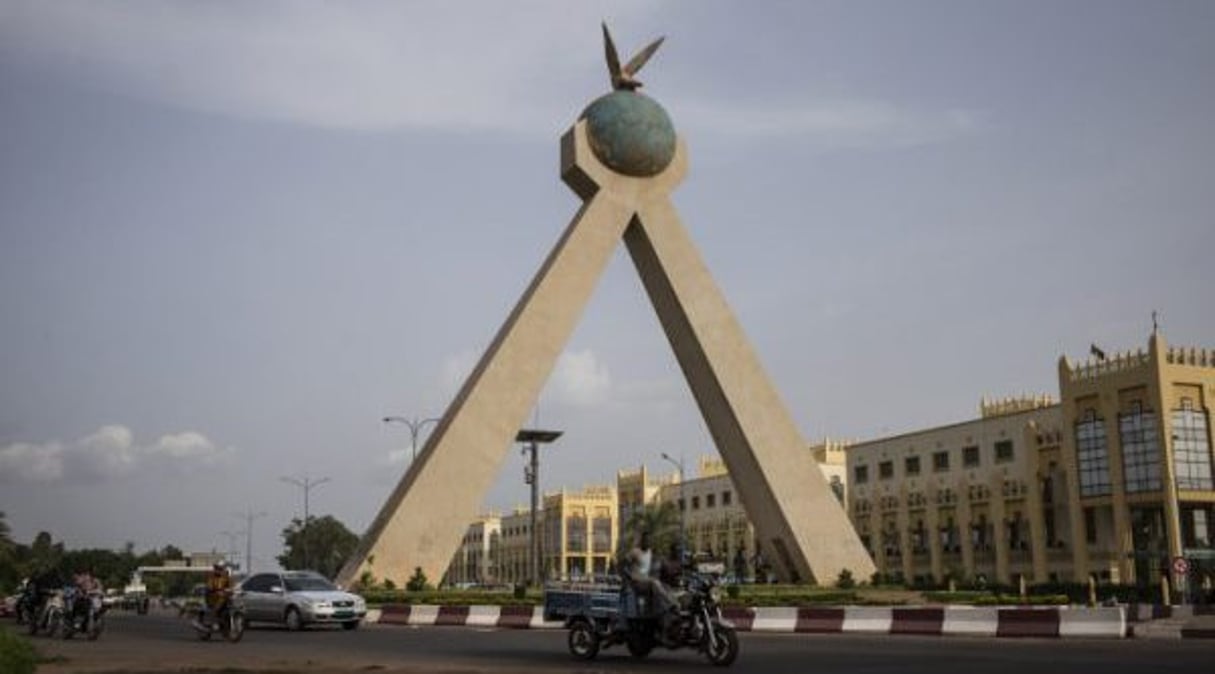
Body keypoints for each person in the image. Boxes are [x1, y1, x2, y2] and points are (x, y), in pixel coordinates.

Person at [199, 560, 233, 628]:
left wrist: (232, 590)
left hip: (223, 596)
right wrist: (214, 590)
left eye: (220, 569)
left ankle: (225, 621)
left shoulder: (226, 577)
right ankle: (212, 621)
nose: (219, 570)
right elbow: (209, 586)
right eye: (217, 568)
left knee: (230, 602)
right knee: (219, 602)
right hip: (212, 597)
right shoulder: (211, 576)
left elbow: (231, 586)